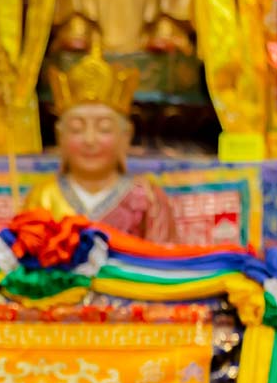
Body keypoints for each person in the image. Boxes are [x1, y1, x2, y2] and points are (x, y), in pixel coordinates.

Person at [23, 45, 175, 243]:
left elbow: (165, 257)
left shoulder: (147, 199)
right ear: (60, 136)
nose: (90, 140)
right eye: (77, 129)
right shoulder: (43, 197)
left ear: (126, 136)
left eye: (104, 129)